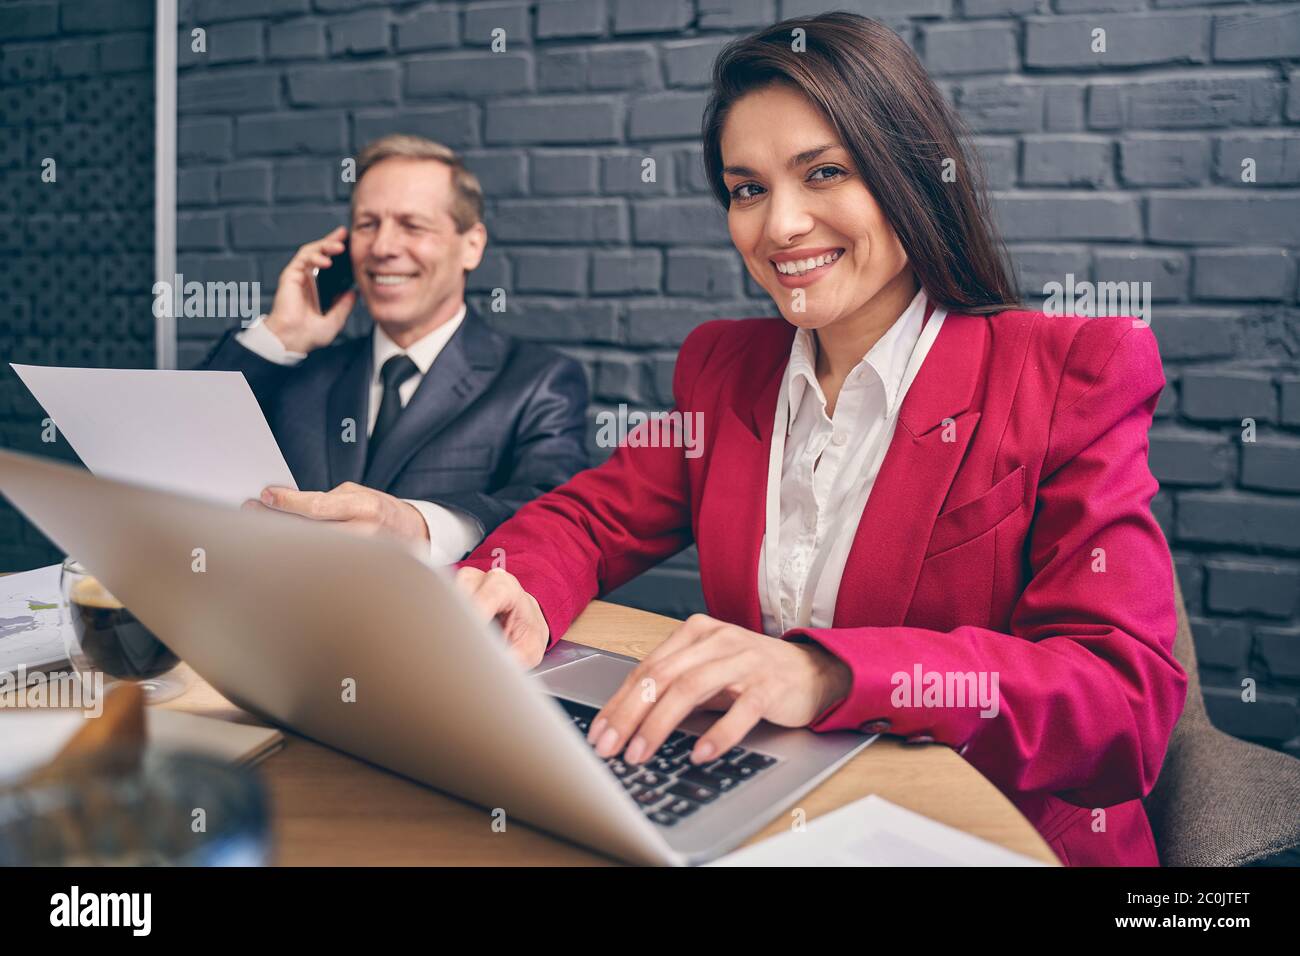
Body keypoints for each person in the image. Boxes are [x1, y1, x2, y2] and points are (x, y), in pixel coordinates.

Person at [450, 13, 1187, 866]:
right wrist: (516, 586)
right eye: (748, 188)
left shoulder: (1072, 372)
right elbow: (591, 517)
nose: (781, 227)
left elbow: (1122, 703)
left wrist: (828, 674)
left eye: (824, 173)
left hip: (987, 835)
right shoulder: (725, 368)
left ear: (911, 173)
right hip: (774, 813)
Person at [197, 135, 589, 563]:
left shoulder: (538, 381)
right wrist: (283, 334)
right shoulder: (302, 372)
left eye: (412, 225)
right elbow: (187, 448)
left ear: (471, 245)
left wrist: (418, 526)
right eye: (367, 225)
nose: (383, 248)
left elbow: (553, 513)